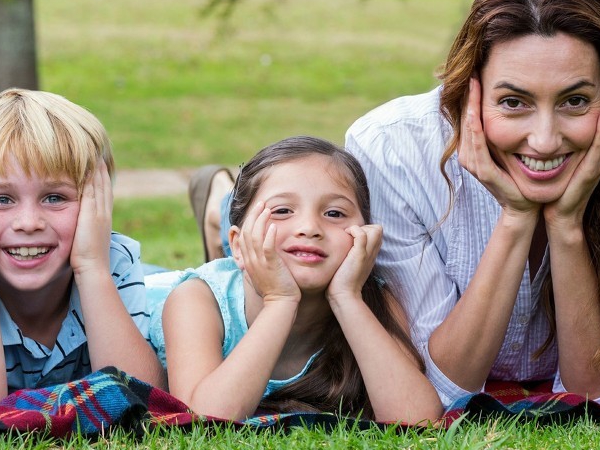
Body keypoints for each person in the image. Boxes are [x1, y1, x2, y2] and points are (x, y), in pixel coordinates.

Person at [345, 0, 600, 410]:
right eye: (514, 102)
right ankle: (225, 197)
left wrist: (567, 225)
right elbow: (442, 388)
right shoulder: (390, 148)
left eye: (575, 100)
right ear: (468, 91)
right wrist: (515, 218)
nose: (545, 139)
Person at [151, 136, 443, 423]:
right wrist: (280, 301)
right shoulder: (197, 298)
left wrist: (347, 299)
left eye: (334, 213)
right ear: (238, 245)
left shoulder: (371, 299)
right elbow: (203, 420)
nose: (309, 227)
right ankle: (218, 204)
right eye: (282, 210)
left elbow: (418, 419)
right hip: (151, 288)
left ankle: (222, 205)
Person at [0, 89, 166, 401]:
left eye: (54, 197)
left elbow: (143, 401)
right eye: (1, 199)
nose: (28, 222)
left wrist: (91, 267)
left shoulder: (110, 262)